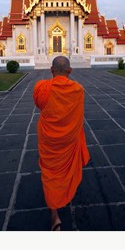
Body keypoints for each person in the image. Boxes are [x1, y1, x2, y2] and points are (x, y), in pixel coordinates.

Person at [33, 56, 90, 231]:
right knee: (65, 172)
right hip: (69, 140)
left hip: (49, 140)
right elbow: (78, 118)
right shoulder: (78, 90)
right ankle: (65, 193)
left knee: (50, 174)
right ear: (70, 71)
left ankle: (54, 215)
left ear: (51, 70)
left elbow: (39, 105)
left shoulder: (41, 88)